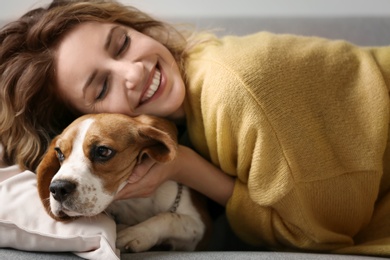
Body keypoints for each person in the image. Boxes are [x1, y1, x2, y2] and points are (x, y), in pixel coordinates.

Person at [1, 0, 390, 256]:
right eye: (102, 87)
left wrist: (185, 165)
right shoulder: (181, 110)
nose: (134, 71)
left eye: (121, 44)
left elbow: (319, 233)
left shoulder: (233, 89)